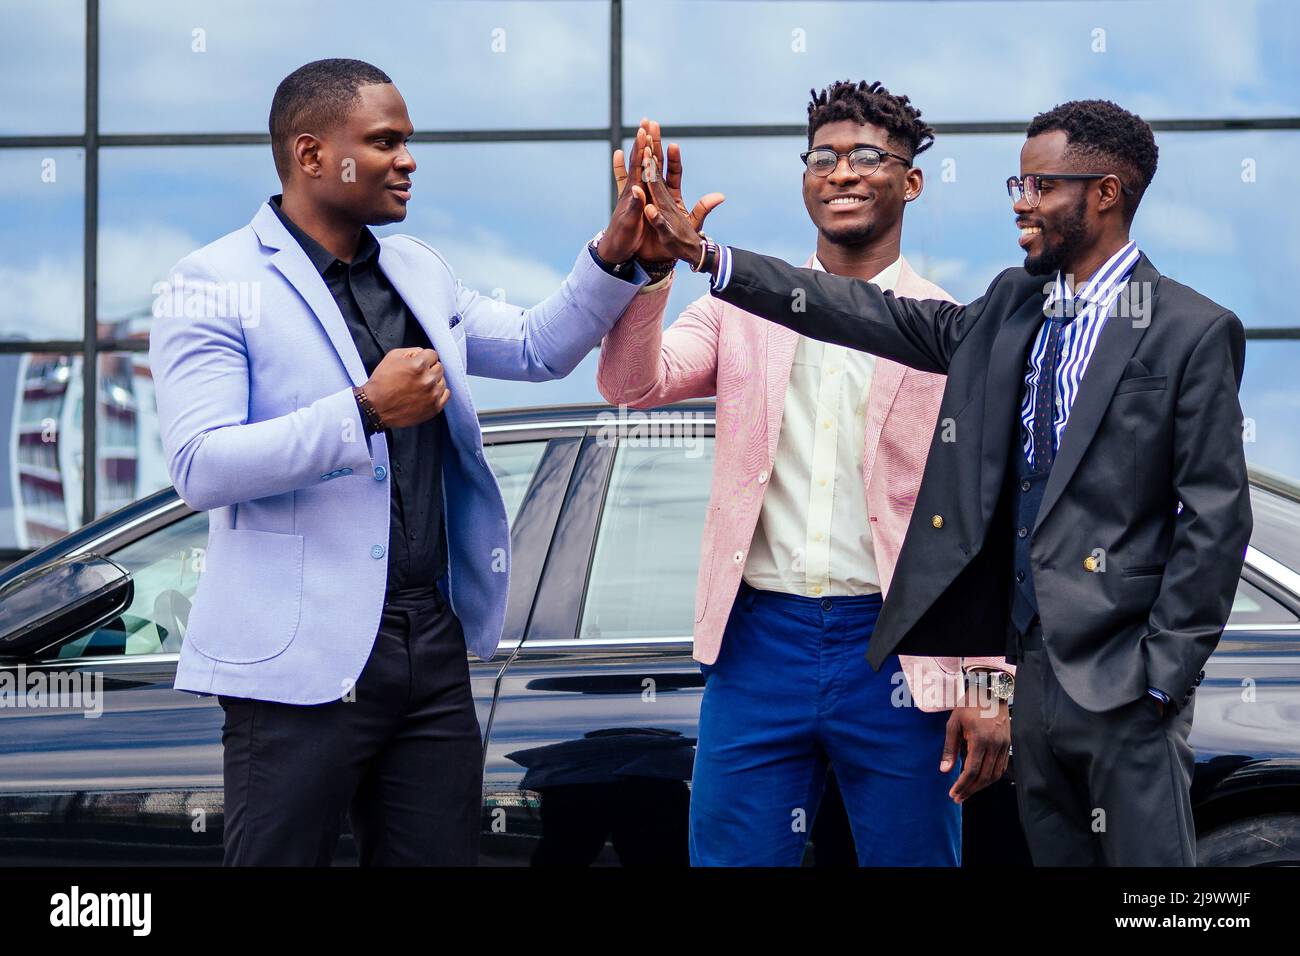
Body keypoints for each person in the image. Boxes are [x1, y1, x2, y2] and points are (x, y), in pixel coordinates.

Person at [637, 98, 1252, 866]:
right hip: (1029, 688)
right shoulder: (1011, 306)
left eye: (1040, 187)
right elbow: (864, 316)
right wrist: (704, 258)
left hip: (1120, 688)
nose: (1020, 204)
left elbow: (1216, 521)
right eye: (1015, 186)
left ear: (1104, 193)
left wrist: (1161, 682)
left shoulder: (1189, 328)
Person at [149, 58, 657, 865]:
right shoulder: (213, 284)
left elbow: (536, 348)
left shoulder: (417, 270)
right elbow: (201, 464)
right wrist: (363, 411)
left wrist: (614, 254)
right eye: (385, 142)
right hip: (296, 662)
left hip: (430, 641)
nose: (408, 159)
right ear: (312, 154)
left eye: (408, 141)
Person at [598, 82, 1012, 868]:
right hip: (758, 644)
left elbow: (985, 524)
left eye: (867, 157)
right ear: (803, 177)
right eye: (823, 157)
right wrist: (651, 275)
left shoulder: (956, 330)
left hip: (897, 651)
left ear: (910, 181)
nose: (843, 173)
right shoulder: (740, 308)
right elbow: (630, 386)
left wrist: (991, 687)